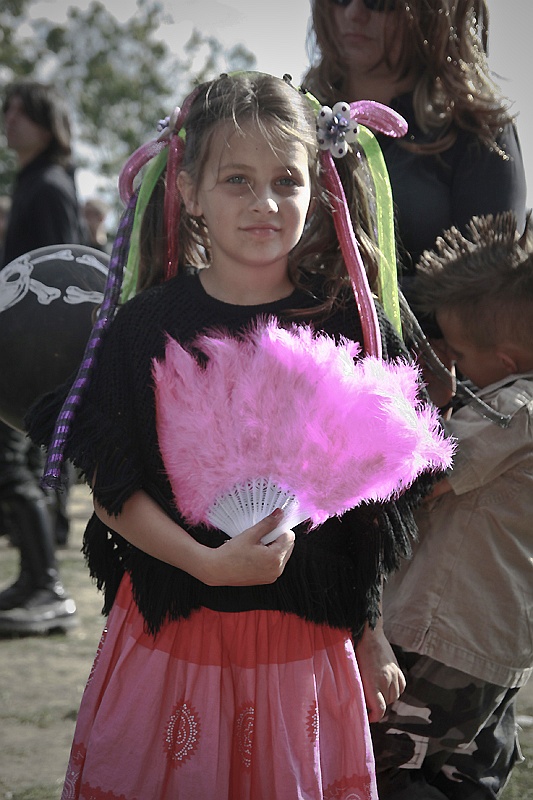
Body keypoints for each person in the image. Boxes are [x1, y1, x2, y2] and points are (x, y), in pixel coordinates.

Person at [26, 73, 451, 799]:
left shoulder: (346, 325)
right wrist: (205, 563)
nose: (264, 203)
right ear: (188, 190)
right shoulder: (144, 329)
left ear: (318, 187)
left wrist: (369, 631)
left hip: (302, 647)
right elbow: (113, 492)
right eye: (236, 180)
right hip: (175, 637)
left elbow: (363, 511)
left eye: (286, 179)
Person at [371, 212, 533, 799]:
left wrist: (429, 399)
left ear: (510, 360)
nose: (454, 366)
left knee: (383, 769)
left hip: (444, 637)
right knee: (467, 776)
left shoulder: (512, 409)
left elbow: (423, 473)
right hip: (492, 643)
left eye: (459, 353)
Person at [303, 0, 528, 288]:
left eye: (379, 3)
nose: (353, 13)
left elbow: (487, 292)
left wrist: (349, 301)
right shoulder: (291, 117)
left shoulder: (480, 131)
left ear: (432, 14)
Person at [0, 80, 84, 633]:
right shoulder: (32, 181)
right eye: (5, 111)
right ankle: (35, 579)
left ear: (46, 121)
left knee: (11, 464)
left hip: (31, 361)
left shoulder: (49, 185)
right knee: (15, 466)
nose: (8, 121)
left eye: (20, 112)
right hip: (16, 353)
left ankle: (47, 586)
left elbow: (61, 279)